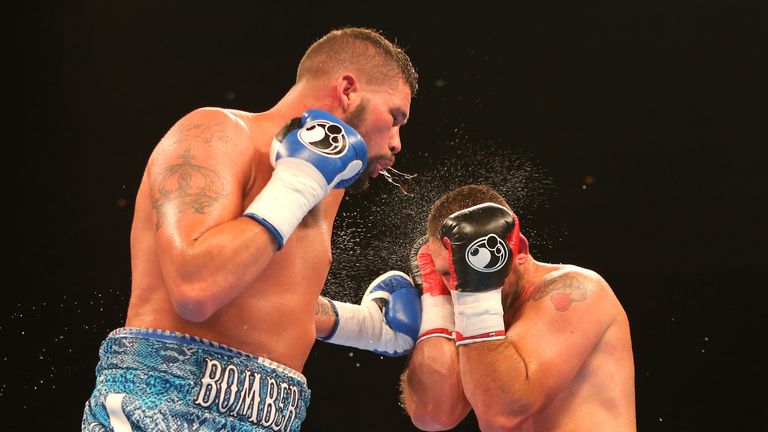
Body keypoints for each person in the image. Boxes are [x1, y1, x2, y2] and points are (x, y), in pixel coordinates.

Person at [82, 27, 421, 432]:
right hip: (164, 404)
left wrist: (360, 324)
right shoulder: (216, 133)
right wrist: (296, 184)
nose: (397, 143)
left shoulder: (322, 187)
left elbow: (256, 299)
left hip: (274, 415)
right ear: (347, 90)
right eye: (394, 117)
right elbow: (195, 288)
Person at [401, 184, 635, 431]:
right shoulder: (468, 311)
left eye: (474, 265)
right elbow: (433, 414)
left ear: (519, 250)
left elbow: (503, 414)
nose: (458, 286)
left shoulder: (575, 290)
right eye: (447, 273)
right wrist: (436, 303)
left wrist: (476, 290)